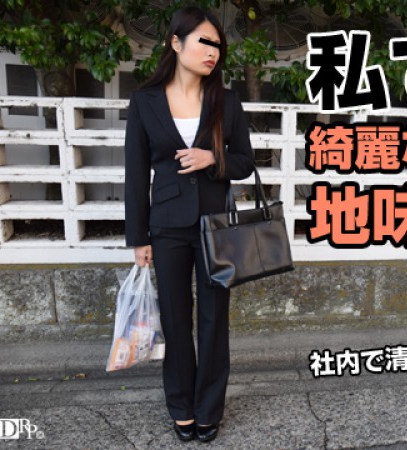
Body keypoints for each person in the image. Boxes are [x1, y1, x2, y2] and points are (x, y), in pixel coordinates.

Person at [124, 6, 254, 443]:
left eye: (218, 44)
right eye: (204, 41)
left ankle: (208, 407)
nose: (213, 51)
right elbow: (135, 173)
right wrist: (139, 238)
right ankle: (180, 405)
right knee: (176, 319)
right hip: (167, 226)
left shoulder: (227, 102)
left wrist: (212, 158)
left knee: (215, 318)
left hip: (216, 225)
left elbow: (245, 162)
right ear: (176, 43)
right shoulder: (145, 101)